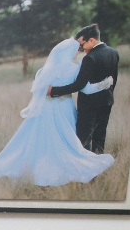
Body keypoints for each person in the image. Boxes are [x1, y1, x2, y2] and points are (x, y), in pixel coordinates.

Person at [0, 36, 115, 187]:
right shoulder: (75, 67)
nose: (77, 53)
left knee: (43, 140)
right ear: (71, 52)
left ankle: (39, 165)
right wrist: (106, 83)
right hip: (64, 108)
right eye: (76, 50)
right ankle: (64, 167)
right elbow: (86, 89)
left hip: (45, 109)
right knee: (67, 141)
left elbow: (39, 90)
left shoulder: (43, 70)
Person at [47, 24, 120, 154]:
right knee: (100, 135)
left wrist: (54, 91)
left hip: (89, 105)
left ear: (91, 40)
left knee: (84, 139)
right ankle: (98, 164)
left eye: (82, 44)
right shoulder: (114, 52)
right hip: (107, 102)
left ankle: (85, 168)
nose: (80, 48)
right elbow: (114, 80)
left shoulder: (90, 58)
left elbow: (79, 85)